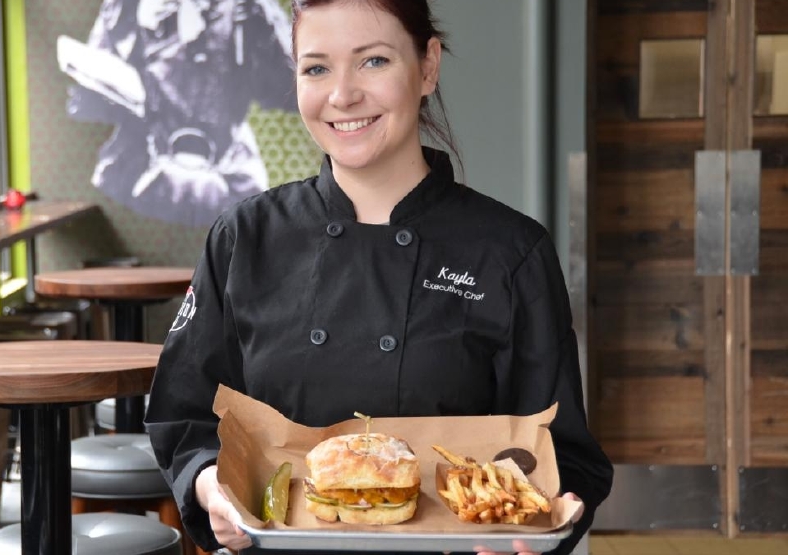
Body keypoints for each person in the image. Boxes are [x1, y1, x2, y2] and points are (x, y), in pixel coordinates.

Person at [145, 1, 614, 554]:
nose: (342, 95)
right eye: (316, 68)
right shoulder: (244, 238)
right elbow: (184, 414)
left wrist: (537, 535)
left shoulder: (511, 251)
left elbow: (565, 454)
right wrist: (212, 491)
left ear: (428, 66)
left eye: (373, 61)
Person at [59, 0, 297, 228]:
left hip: (228, 166)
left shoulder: (248, 7)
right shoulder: (127, 5)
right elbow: (89, 100)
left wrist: (264, 29)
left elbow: (290, 92)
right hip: (140, 162)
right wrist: (135, 34)